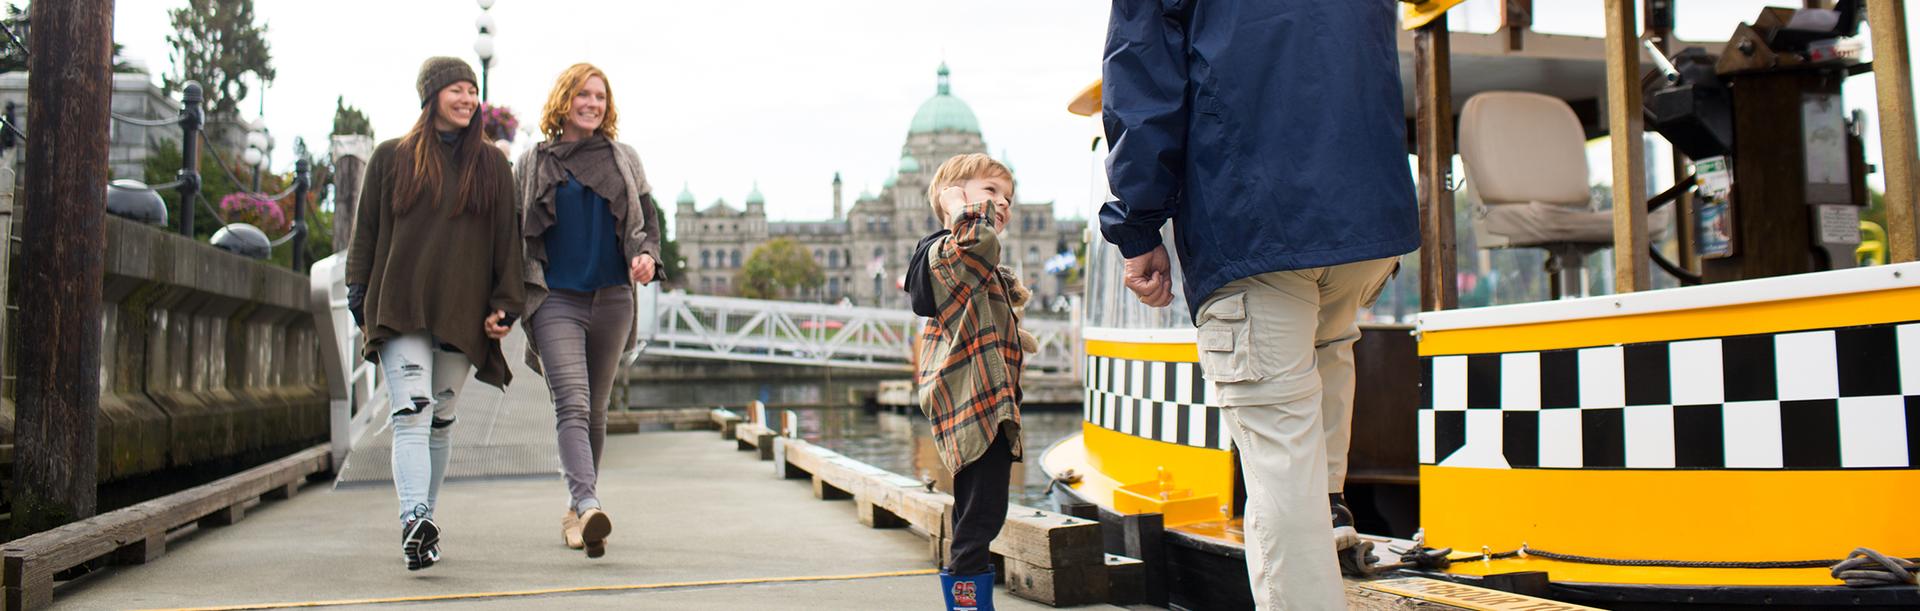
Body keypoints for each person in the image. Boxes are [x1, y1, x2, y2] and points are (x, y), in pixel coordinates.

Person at [1100, 1, 1420, 608]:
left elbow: (1143, 80)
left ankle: (1313, 522)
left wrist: (1137, 228)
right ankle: (1329, 503)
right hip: (1367, 212)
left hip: (1254, 218)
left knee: (1279, 456)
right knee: (1327, 351)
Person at [346, 56, 525, 572]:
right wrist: (360, 297)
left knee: (441, 420)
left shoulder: (492, 165)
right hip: (399, 306)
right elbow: (367, 235)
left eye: (473, 90)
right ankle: (413, 519)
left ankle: (424, 527)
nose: (468, 99)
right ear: (432, 97)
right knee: (412, 412)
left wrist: (506, 306)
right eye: (457, 90)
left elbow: (504, 244)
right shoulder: (390, 157)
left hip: (461, 311)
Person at [513, 63, 661, 559]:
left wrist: (646, 258)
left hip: (613, 298)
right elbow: (512, 236)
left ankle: (577, 515)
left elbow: (648, 225)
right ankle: (589, 500)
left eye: (600, 96)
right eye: (583, 95)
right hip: (555, 298)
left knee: (595, 409)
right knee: (571, 402)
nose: (593, 104)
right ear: (564, 100)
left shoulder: (624, 159)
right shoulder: (533, 163)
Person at [904, 153, 1038, 611]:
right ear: (955, 196)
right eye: (991, 192)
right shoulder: (955, 248)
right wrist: (961, 208)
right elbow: (978, 243)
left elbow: (978, 310)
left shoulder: (964, 255)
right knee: (982, 514)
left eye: (1008, 198)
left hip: (982, 400)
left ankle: (967, 594)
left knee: (977, 507)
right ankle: (967, 601)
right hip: (974, 402)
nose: (1002, 205)